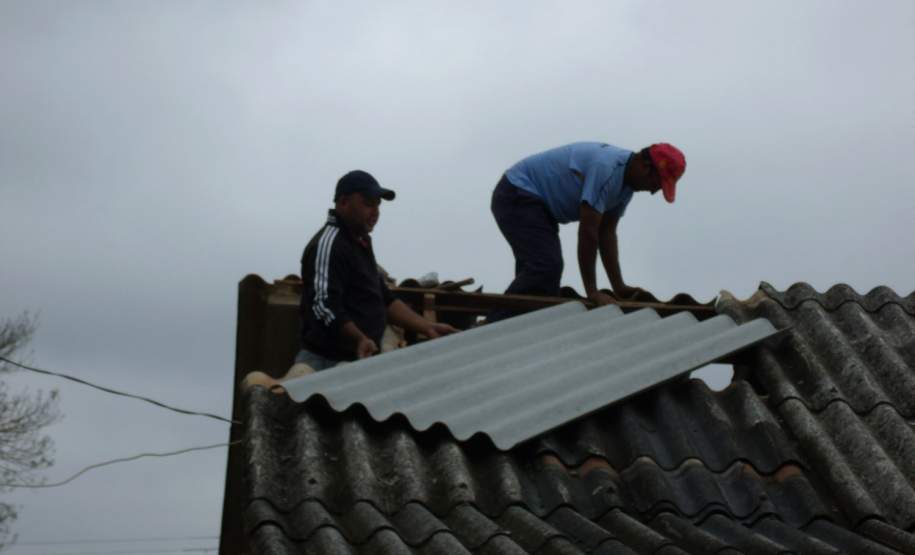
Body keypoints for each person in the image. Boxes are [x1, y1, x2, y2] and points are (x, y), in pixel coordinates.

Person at [489, 142, 686, 321]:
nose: (653, 191)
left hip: (537, 207)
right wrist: (592, 291)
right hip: (517, 192)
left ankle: (508, 325)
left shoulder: (625, 188)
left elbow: (606, 233)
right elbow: (588, 232)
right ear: (645, 165)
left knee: (541, 286)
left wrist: (619, 287)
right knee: (545, 267)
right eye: (656, 184)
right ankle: (491, 327)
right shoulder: (607, 169)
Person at [297, 170, 458, 370]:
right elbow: (323, 305)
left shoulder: (361, 242)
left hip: (358, 358)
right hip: (325, 365)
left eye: (378, 204)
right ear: (344, 202)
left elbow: (383, 298)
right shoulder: (329, 244)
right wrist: (359, 338)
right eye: (368, 203)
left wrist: (427, 327)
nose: (376, 212)